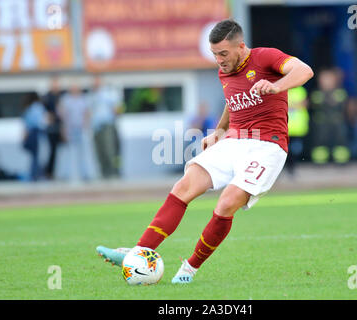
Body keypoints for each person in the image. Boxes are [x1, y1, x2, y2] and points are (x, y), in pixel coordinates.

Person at [96, 19, 314, 283]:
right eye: (215, 55)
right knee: (184, 185)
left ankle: (189, 268)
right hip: (234, 141)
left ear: (241, 47)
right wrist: (220, 132)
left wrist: (276, 86)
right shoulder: (225, 70)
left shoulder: (265, 57)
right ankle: (140, 251)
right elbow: (232, 100)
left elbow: (305, 70)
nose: (219, 60)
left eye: (223, 53)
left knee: (226, 203)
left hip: (267, 146)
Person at [309, 68, 350, 164]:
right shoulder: (316, 92)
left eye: (329, 78)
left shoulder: (340, 92)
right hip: (321, 124)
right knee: (320, 144)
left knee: (340, 143)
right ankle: (319, 161)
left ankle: (341, 161)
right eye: (324, 78)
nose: (326, 81)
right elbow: (314, 102)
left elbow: (343, 104)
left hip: (337, 123)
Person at [89, 75, 122, 179]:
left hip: (107, 125)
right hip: (96, 127)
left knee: (110, 151)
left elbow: (117, 108)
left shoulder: (109, 93)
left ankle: (113, 173)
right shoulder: (92, 95)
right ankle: (104, 174)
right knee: (100, 152)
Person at [58, 84, 92, 182]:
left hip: (81, 129)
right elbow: (62, 115)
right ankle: (65, 175)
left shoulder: (83, 99)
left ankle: (85, 174)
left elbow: (87, 113)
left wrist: (87, 127)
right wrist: (64, 129)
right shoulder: (66, 99)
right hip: (70, 130)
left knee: (83, 153)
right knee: (67, 153)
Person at [22, 92, 47, 181]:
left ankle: (33, 175)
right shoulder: (38, 107)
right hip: (37, 133)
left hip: (30, 133)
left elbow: (25, 125)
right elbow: (41, 122)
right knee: (38, 156)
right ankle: (36, 175)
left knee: (34, 156)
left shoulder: (28, 108)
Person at [284, 86, 309, 176]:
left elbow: (304, 104)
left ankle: (292, 170)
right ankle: (286, 169)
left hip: (298, 128)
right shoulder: (281, 89)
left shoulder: (300, 90)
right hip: (284, 128)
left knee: (296, 150)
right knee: (284, 151)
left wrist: (289, 105)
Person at [42, 76, 63, 179]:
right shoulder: (47, 97)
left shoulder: (61, 95)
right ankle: (49, 172)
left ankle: (57, 172)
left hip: (60, 127)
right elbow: (45, 113)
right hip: (51, 128)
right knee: (51, 151)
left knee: (60, 152)